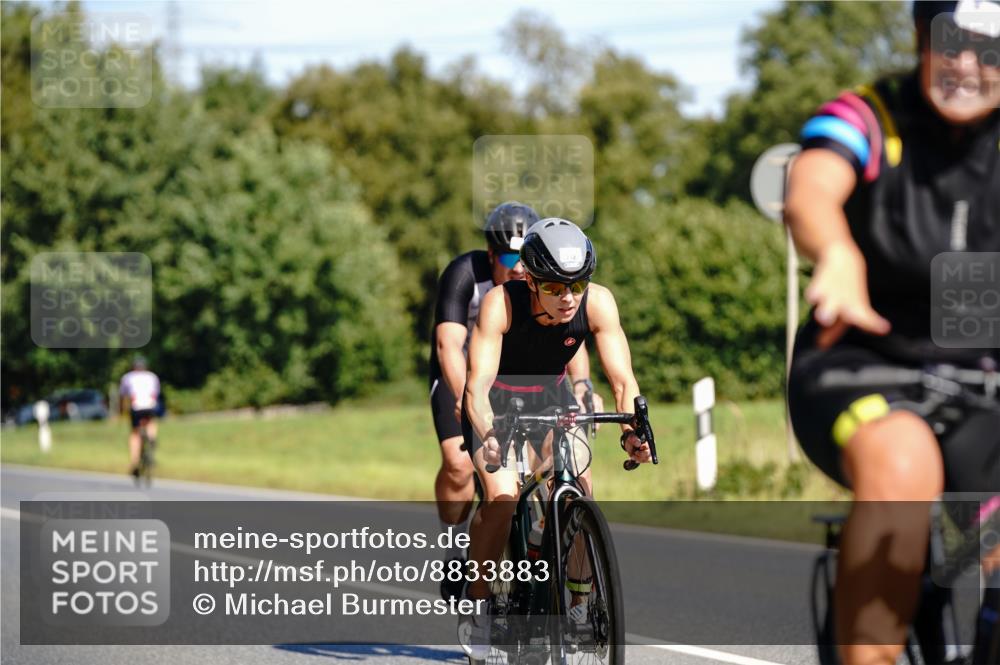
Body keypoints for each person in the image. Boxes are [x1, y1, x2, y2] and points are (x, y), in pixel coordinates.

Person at [784, 2, 999, 663]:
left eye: (988, 49)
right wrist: (838, 252)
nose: (966, 64)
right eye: (951, 42)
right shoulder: (871, 116)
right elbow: (811, 190)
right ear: (919, 39)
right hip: (860, 362)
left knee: (986, 541)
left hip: (980, 379)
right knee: (904, 464)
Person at [460, 218, 651, 658]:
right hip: (499, 406)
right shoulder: (500, 304)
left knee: (578, 489)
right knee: (503, 497)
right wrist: (488, 434)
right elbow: (476, 388)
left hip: (554, 400)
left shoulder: (598, 303)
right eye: (555, 287)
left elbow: (623, 380)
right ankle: (480, 602)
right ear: (530, 279)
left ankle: (580, 606)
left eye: (578, 284)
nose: (568, 298)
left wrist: (631, 431)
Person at [429, 201, 602, 600]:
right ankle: (457, 544)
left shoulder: (548, 282)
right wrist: (464, 401)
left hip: (528, 380)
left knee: (558, 469)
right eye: (508, 257)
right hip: (465, 375)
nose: (517, 267)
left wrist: (582, 385)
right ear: (492, 255)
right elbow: (448, 345)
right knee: (458, 463)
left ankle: (545, 541)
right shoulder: (465, 276)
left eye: (522, 257)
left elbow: (565, 338)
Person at [119, 355, 161, 479]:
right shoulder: (152, 376)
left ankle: (134, 461)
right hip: (150, 406)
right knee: (151, 422)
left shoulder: (128, 377)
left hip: (136, 407)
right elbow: (156, 394)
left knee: (135, 434)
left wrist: (122, 411)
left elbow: (123, 395)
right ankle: (152, 437)